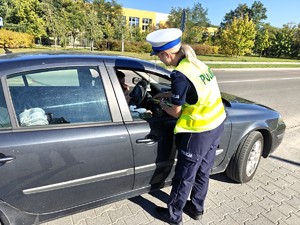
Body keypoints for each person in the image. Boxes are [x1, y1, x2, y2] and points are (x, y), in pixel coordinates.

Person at [146, 28, 226, 225]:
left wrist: (161, 104)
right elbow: (192, 93)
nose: (160, 60)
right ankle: (196, 208)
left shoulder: (179, 74)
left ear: (166, 54)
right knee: (203, 171)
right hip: (216, 125)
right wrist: (166, 95)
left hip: (197, 132)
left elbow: (176, 112)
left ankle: (173, 215)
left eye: (158, 55)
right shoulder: (197, 65)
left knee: (184, 176)